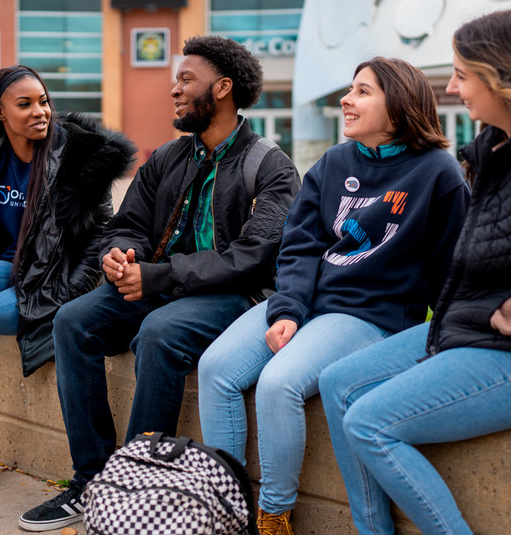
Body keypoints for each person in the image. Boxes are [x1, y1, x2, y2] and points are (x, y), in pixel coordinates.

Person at [319, 9, 511, 534]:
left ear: (501, 75)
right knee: (337, 382)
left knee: (371, 422)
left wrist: (492, 324)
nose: (452, 87)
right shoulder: (498, 150)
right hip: (490, 332)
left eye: (463, 74)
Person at [18, 35, 301, 531]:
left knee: (160, 333)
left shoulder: (270, 167)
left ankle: (137, 489)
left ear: (223, 88)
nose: (175, 89)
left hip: (234, 296)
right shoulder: (169, 158)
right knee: (73, 321)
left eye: (187, 80)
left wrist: (160, 276)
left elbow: (253, 257)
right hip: (158, 283)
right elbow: (127, 224)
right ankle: (92, 480)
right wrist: (119, 257)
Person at [197, 57, 469, 534]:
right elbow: (300, 247)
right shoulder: (333, 163)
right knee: (216, 369)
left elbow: (454, 270)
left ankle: (273, 514)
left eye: (363, 91)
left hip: (370, 317)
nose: (347, 99)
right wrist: (288, 309)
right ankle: (228, 511)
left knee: (280, 384)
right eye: (350, 88)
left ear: (400, 104)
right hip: (306, 301)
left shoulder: (439, 173)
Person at [0, 65, 135, 497]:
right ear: (0, 113)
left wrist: (66, 294)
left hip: (54, 285)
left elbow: (101, 235)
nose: (40, 111)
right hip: (10, 272)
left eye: (43, 101)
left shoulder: (80, 158)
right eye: (25, 104)